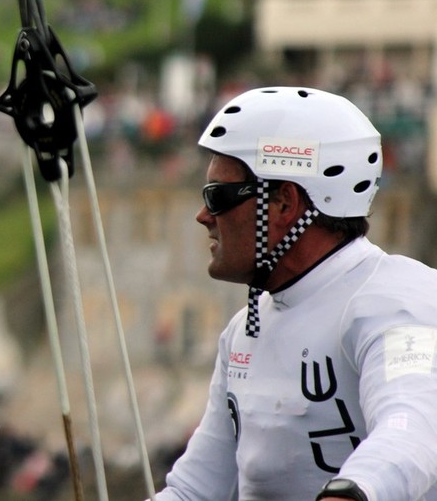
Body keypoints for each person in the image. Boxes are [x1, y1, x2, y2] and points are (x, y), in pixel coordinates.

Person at [151, 86, 437, 501]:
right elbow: (194, 491)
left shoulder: (401, 300)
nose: (203, 216)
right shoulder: (241, 332)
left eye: (218, 196)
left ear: (284, 203)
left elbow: (414, 427)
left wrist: (353, 492)